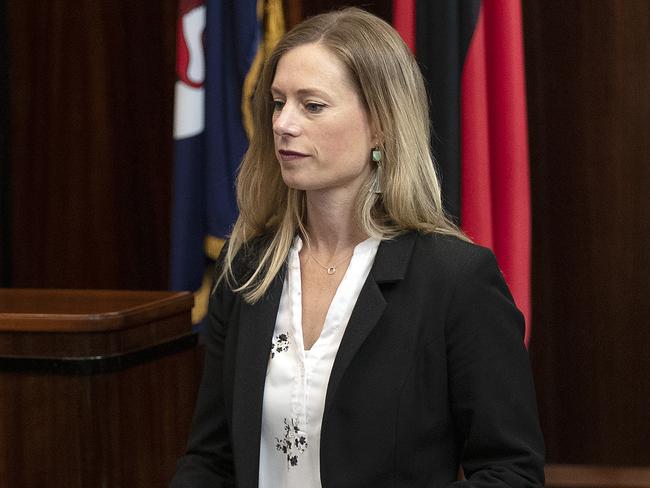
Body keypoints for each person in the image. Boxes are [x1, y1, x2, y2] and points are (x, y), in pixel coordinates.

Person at [171, 7, 544, 488]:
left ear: (381, 125)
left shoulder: (455, 279)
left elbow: (510, 472)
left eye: (312, 105)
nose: (283, 123)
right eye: (278, 102)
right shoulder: (246, 267)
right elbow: (211, 458)